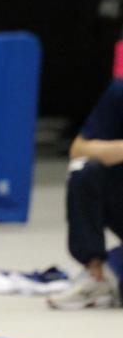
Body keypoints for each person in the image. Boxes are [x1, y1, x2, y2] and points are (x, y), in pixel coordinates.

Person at [47, 80, 123, 310]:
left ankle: (113, 271)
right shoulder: (119, 93)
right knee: (84, 169)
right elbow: (78, 149)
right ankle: (95, 270)